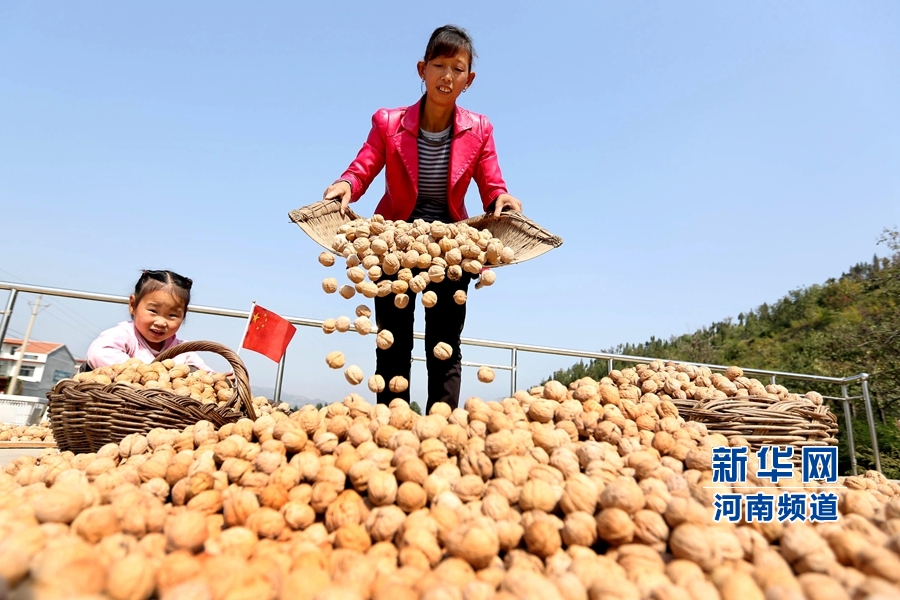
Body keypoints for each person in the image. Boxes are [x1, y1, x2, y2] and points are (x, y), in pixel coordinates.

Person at [323, 25, 522, 412]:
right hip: (395, 242)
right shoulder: (388, 122)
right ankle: (390, 423)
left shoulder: (480, 130)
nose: (447, 76)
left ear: (469, 79)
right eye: (439, 65)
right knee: (392, 342)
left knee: (444, 345)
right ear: (422, 69)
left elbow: (492, 184)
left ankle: (440, 427)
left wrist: (502, 198)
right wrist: (346, 184)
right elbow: (363, 166)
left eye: (457, 69)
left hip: (451, 248)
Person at [85, 269, 212, 371]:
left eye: (172, 315)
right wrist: (144, 371)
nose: (161, 322)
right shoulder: (124, 335)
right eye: (153, 311)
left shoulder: (182, 350)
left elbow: (205, 374)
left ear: (184, 315)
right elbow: (99, 353)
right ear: (133, 305)